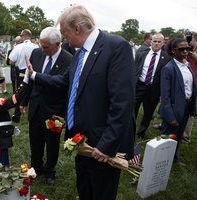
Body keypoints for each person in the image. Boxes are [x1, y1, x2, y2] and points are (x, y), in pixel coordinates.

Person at [26, 5, 135, 200]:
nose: (64, 37)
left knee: (101, 192)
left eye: (65, 32)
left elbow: (122, 102)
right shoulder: (80, 53)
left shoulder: (116, 47)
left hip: (101, 143)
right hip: (80, 139)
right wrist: (35, 75)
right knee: (84, 187)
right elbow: (64, 81)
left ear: (77, 28)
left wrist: (107, 144)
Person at [20, 27, 72, 185]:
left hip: (54, 111)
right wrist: (23, 101)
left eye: (46, 47)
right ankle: (36, 167)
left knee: (52, 144)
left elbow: (61, 84)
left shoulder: (69, 59)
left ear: (57, 44)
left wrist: (35, 74)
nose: (42, 49)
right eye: (41, 45)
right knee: (35, 141)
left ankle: (50, 170)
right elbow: (30, 79)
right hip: (36, 107)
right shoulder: (37, 53)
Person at [159, 38, 196, 164]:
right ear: (174, 51)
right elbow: (165, 96)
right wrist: (170, 117)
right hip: (174, 109)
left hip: (186, 106)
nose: (186, 51)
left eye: (188, 48)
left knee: (178, 135)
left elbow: (191, 87)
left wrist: (193, 108)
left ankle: (173, 158)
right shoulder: (168, 69)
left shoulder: (188, 65)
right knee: (168, 136)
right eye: (182, 49)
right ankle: (161, 161)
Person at [134, 33, 171, 139]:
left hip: (153, 89)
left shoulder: (166, 57)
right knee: (132, 108)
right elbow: (135, 70)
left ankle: (141, 133)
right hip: (139, 86)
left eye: (159, 42)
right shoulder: (141, 54)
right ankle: (130, 129)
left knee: (148, 112)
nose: (156, 44)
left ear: (163, 43)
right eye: (154, 41)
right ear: (151, 41)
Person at [9, 29, 39, 123]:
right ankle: (34, 115)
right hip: (34, 72)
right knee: (34, 93)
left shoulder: (18, 47)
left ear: (24, 36)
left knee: (20, 93)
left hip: (22, 73)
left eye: (21, 36)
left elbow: (11, 61)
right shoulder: (36, 46)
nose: (21, 38)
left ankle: (16, 116)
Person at [182, 32, 197, 144]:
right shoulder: (191, 49)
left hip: (195, 84)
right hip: (186, 81)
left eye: (192, 38)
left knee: (191, 110)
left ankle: (185, 137)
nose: (191, 40)